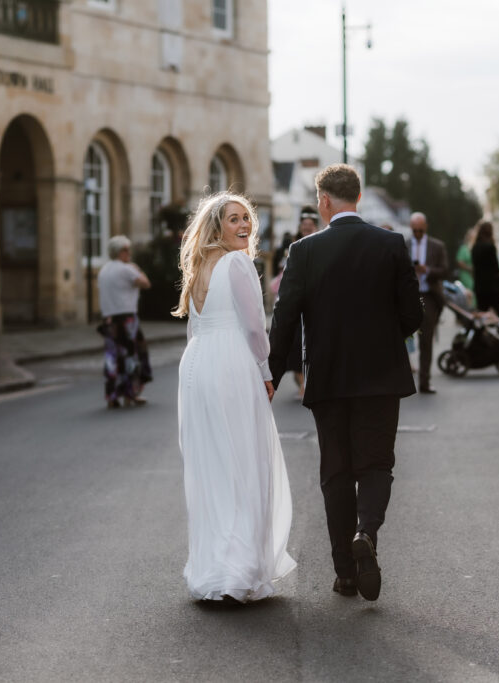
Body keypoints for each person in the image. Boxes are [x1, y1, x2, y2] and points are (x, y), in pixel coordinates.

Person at [269, 164, 422, 601]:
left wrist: (272, 374)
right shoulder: (391, 244)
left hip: (329, 377)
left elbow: (284, 320)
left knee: (336, 472)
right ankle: (367, 532)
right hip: (381, 376)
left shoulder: (304, 251)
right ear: (357, 196)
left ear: (324, 201)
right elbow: (412, 315)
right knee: (376, 464)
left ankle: (346, 573)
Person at [174, 192, 295, 602]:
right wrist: (265, 371)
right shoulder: (238, 263)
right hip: (229, 365)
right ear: (216, 226)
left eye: (246, 218)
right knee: (243, 462)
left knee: (210, 466)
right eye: (233, 219)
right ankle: (238, 572)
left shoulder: (197, 265)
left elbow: (194, 329)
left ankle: (214, 570)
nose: (244, 225)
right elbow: (255, 327)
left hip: (195, 368)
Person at [97, 235, 153, 409]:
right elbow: (146, 284)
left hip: (109, 319)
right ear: (119, 252)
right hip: (127, 318)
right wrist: (137, 268)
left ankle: (112, 396)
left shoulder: (103, 270)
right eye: (126, 250)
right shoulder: (126, 269)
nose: (129, 253)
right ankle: (131, 394)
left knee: (113, 358)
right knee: (131, 355)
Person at [407, 211, 449, 394]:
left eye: (420, 231)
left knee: (426, 340)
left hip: (429, 296)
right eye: (414, 230)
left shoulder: (437, 246)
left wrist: (428, 270)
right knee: (401, 340)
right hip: (408, 296)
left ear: (426, 228)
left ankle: (424, 381)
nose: (417, 234)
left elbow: (445, 270)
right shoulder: (404, 244)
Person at [282, 206, 320, 399]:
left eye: (310, 225)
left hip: (314, 301)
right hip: (295, 301)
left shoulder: (320, 244)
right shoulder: (291, 245)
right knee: (296, 343)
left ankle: (312, 382)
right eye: (304, 225)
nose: (306, 227)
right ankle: (302, 384)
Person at [471, 220, 499, 317]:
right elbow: (495, 267)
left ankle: (480, 332)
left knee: (482, 313)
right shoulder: (490, 247)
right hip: (492, 286)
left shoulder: (475, 247)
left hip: (480, 286)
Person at [455, 227, 477, 308]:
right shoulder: (464, 248)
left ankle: (473, 308)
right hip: (466, 274)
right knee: (469, 290)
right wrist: (469, 268)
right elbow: (459, 261)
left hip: (474, 274)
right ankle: (469, 308)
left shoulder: (475, 247)